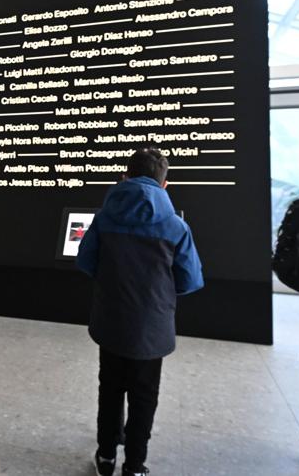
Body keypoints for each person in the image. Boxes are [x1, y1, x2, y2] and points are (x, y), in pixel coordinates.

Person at [77, 147, 203, 476]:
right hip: (152, 329)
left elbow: (86, 262)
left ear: (125, 177)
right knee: (144, 396)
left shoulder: (104, 219)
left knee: (110, 389)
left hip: (111, 322)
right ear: (165, 185)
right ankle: (134, 465)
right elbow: (189, 280)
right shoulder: (176, 227)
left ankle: (105, 457)